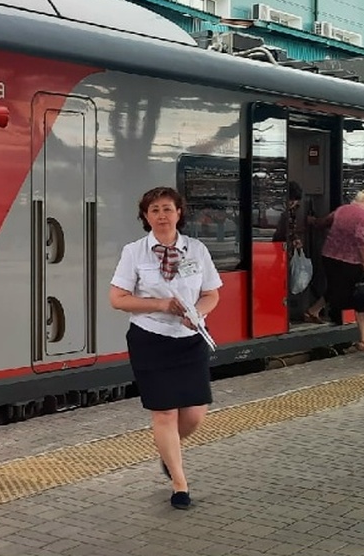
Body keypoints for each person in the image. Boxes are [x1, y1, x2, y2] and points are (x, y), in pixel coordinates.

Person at [109, 186, 222, 510]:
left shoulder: (197, 250)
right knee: (164, 413)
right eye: (154, 210)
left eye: (167, 209)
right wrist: (160, 304)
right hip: (150, 338)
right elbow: (117, 298)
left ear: (179, 213)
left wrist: (196, 313)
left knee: (195, 414)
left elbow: (212, 293)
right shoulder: (134, 252)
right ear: (146, 217)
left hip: (190, 339)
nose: (161, 215)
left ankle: (167, 452)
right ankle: (179, 484)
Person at [306, 188, 364, 356]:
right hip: (351, 260)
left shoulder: (341, 210)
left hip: (329, 256)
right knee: (360, 298)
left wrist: (311, 221)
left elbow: (324, 222)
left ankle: (313, 310)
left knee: (336, 288)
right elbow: (361, 239)